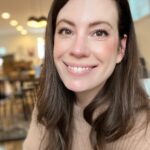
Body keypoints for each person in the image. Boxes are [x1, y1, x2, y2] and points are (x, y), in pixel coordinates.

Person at [23, 0, 150, 149]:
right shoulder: (45, 107)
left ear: (121, 48)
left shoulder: (145, 132)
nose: (78, 50)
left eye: (99, 32)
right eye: (66, 31)